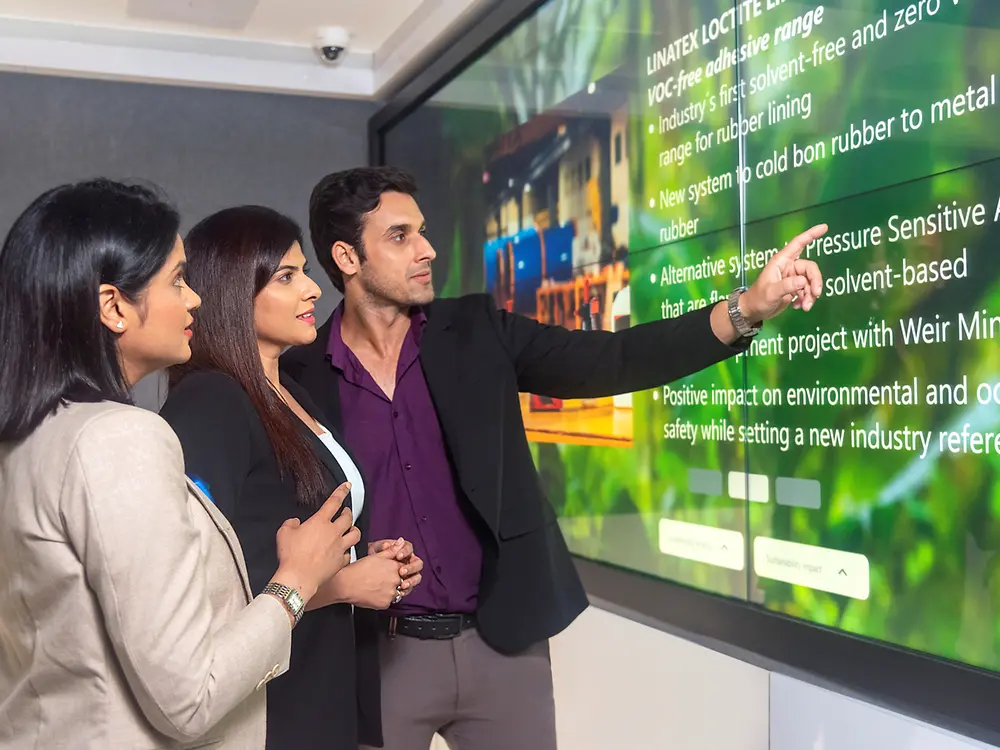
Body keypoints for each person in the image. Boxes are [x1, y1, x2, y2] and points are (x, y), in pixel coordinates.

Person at [282, 166, 827, 750]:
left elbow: (614, 359)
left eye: (423, 231)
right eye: (400, 236)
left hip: (500, 643)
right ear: (346, 256)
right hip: (376, 655)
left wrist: (749, 308)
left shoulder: (476, 330)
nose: (426, 249)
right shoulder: (300, 377)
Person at [0, 180, 360, 749]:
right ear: (114, 307)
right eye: (176, 281)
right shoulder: (120, 439)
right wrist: (296, 582)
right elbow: (190, 697)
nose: (195, 299)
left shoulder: (31, 436)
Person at [158, 205, 423, 749]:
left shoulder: (288, 393)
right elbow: (200, 581)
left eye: (304, 272)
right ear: (232, 291)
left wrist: (363, 557)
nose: (313, 291)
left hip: (322, 677)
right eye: (286, 277)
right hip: (267, 704)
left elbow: (282, 527)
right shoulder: (213, 400)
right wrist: (345, 584)